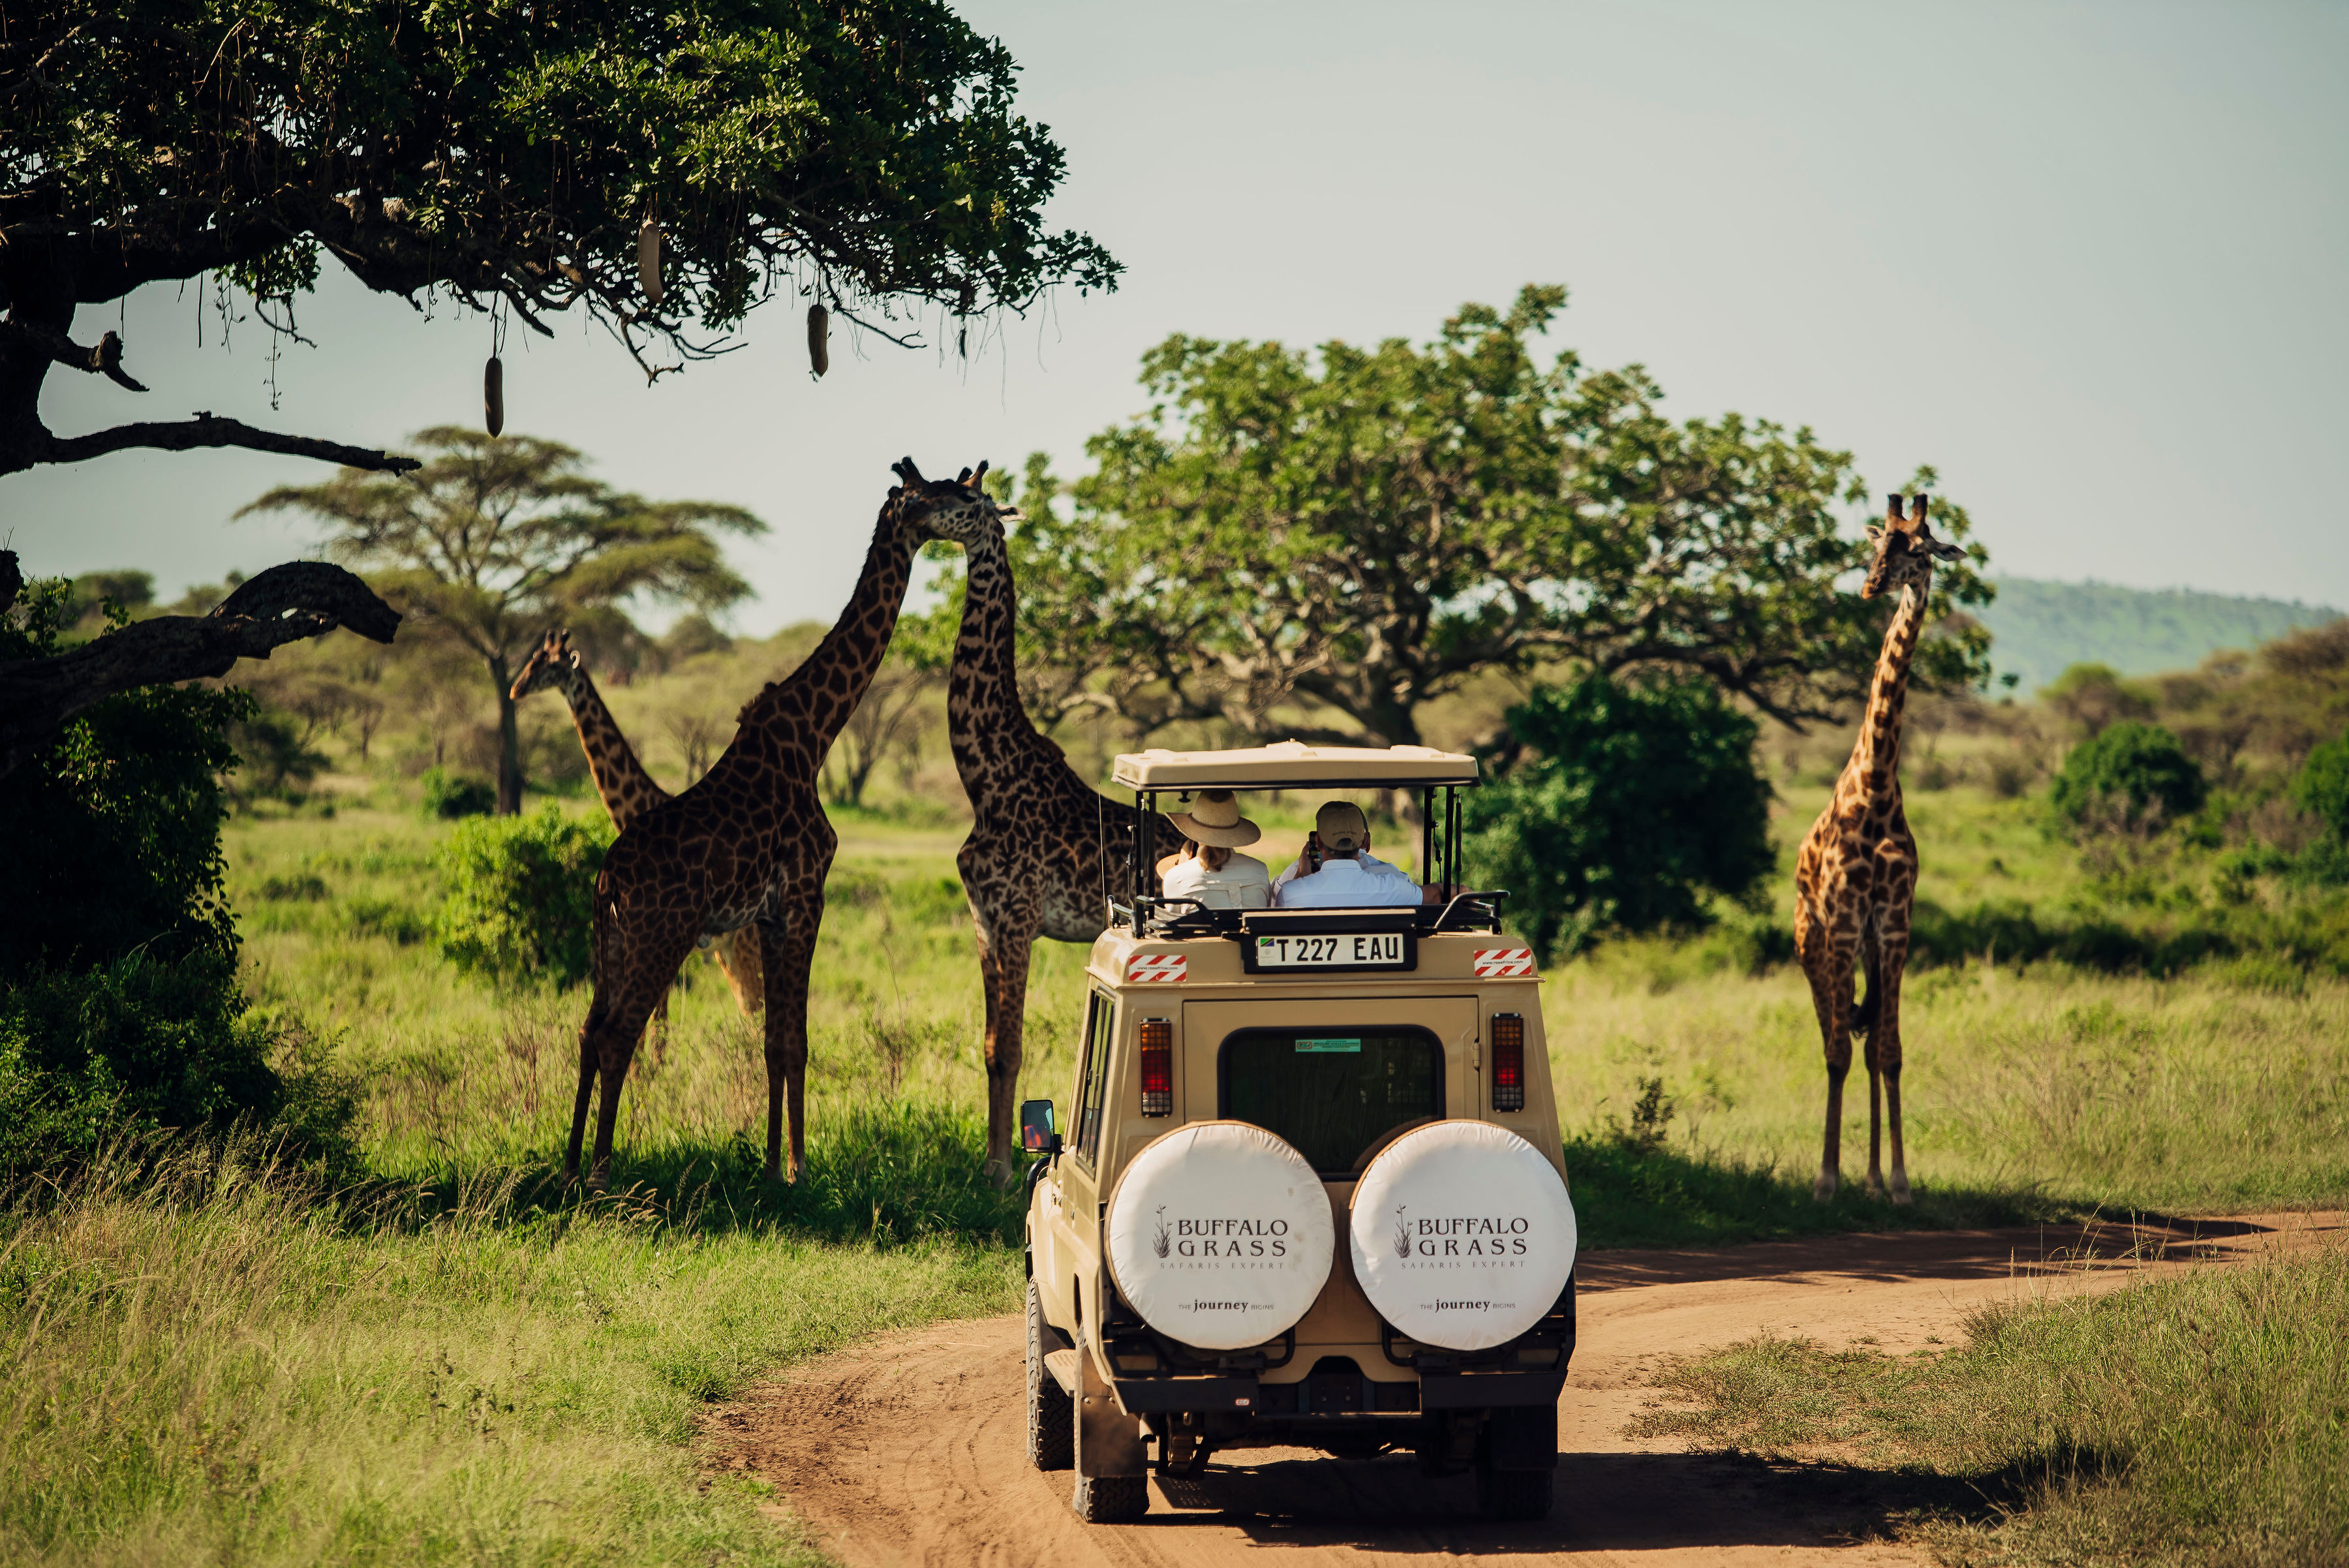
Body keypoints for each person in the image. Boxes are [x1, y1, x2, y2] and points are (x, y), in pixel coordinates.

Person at [1275, 801, 1423, 908]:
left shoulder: (1291, 892)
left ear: (1318, 842)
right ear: (1366, 841)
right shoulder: (1396, 885)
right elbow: (1435, 896)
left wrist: (1302, 874)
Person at [1158, 790, 1272, 910]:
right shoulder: (1259, 871)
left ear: (1194, 833)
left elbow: (1174, 924)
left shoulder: (1176, 877)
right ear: (1234, 833)